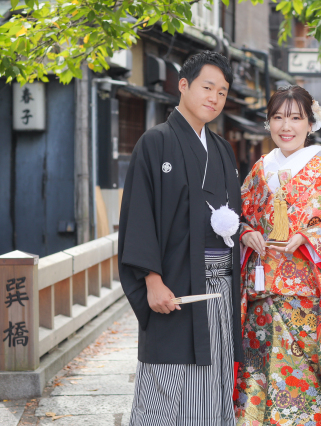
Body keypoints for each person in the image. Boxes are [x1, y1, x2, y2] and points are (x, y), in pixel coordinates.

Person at [118, 51, 242, 426]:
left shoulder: (221, 150)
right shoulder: (155, 143)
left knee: (213, 373)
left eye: (222, 92)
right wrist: (151, 281)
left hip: (217, 289)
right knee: (168, 380)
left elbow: (236, 217)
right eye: (208, 87)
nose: (214, 98)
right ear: (183, 86)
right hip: (175, 283)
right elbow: (139, 216)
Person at [235, 86, 321, 426]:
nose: (286, 126)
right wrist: (245, 231)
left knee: (305, 380)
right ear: (268, 123)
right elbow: (240, 214)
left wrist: (308, 237)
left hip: (308, 297)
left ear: (311, 123)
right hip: (262, 296)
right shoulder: (260, 168)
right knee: (259, 375)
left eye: (296, 118)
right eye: (278, 117)